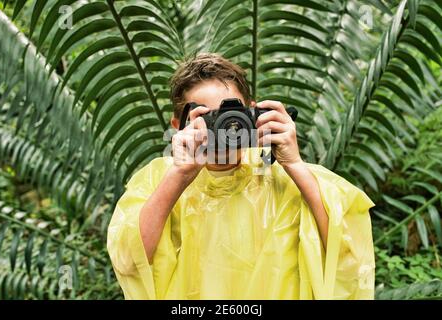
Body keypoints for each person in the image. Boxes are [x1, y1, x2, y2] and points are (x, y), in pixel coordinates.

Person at [107, 53, 375, 299]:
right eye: (206, 117)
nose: (221, 129)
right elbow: (130, 261)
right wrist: (178, 176)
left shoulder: (287, 177)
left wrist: (293, 164)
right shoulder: (158, 179)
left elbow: (350, 254)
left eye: (228, 115)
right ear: (178, 125)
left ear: (251, 113)